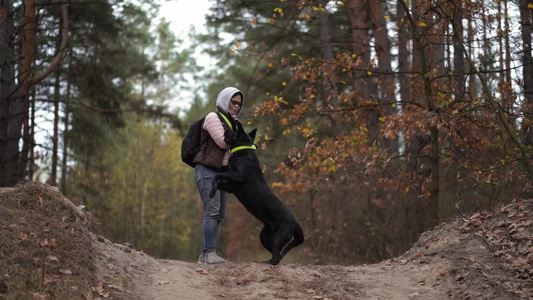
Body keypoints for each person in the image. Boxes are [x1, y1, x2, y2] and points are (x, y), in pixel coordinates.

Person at [194, 86, 244, 264]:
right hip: (207, 171)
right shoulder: (213, 117)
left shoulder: (234, 124)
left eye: (239, 103)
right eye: (233, 102)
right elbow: (223, 143)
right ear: (225, 100)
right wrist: (241, 142)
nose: (236, 106)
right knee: (212, 211)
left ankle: (205, 256)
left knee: (219, 215)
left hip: (223, 174)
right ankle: (210, 252)